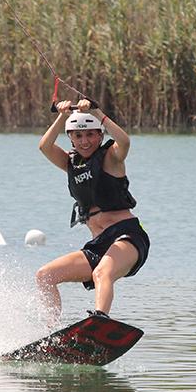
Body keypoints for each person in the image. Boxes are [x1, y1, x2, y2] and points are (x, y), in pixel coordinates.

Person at [36, 98, 150, 324]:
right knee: (45, 276)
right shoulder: (70, 163)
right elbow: (44, 147)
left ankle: (100, 320)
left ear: (100, 135)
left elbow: (124, 141)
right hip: (98, 244)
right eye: (78, 136)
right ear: (70, 138)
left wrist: (98, 112)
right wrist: (62, 116)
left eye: (90, 135)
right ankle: (51, 332)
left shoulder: (111, 158)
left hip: (127, 237)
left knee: (101, 273)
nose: (84, 141)